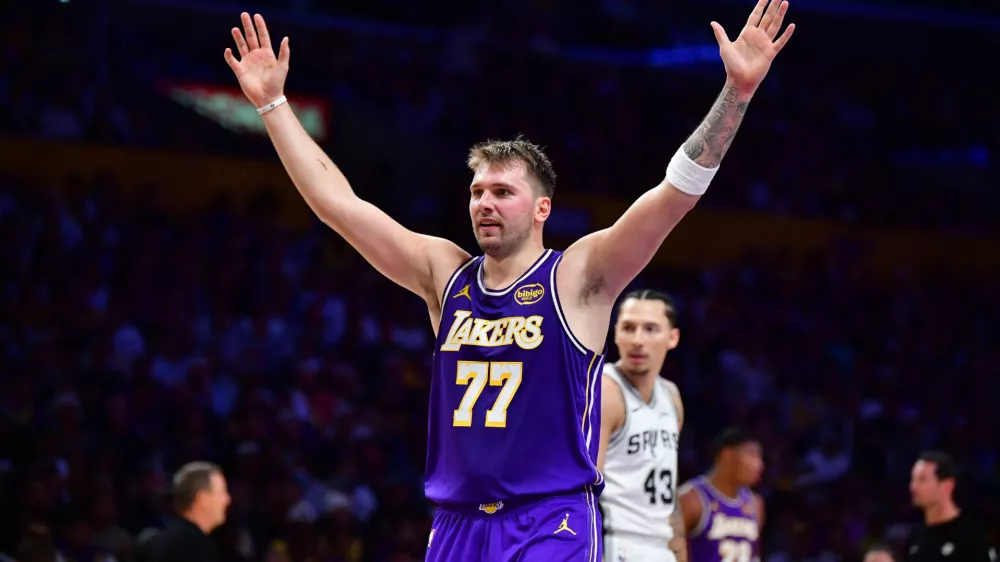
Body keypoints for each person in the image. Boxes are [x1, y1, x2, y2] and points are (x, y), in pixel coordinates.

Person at [222, 2, 794, 559]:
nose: (484, 204)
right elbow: (336, 205)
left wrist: (736, 93)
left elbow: (675, 196)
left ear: (542, 208)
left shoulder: (580, 276)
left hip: (551, 519)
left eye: (502, 192)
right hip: (457, 523)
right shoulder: (444, 273)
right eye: (476, 192)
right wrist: (273, 104)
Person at [598, 290, 686, 561]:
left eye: (650, 329)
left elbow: (670, 491)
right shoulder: (604, 391)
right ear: (615, 334)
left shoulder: (671, 396)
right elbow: (583, 490)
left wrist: (680, 549)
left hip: (661, 546)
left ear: (672, 338)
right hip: (616, 542)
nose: (637, 340)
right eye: (628, 328)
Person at [679, 428, 764, 562]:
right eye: (752, 455)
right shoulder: (691, 499)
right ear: (727, 455)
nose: (759, 465)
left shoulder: (755, 504)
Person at [905, 451, 994, 562]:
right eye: (913, 480)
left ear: (947, 486)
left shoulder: (971, 536)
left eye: (922, 480)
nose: (913, 487)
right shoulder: (915, 537)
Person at [149, 462, 231, 562]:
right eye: (222, 492)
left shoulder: (166, 539)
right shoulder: (196, 547)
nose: (227, 500)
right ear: (202, 498)